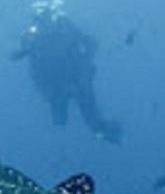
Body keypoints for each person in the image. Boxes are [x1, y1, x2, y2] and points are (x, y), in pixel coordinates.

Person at [12, 10, 122, 144]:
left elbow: (91, 44)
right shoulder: (34, 38)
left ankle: (106, 134)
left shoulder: (65, 28)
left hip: (76, 80)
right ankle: (93, 136)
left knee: (89, 118)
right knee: (61, 121)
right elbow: (29, 64)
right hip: (60, 85)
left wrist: (85, 66)